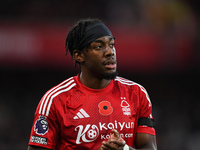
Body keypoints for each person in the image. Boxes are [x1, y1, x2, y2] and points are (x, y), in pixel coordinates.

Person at [27, 18, 157, 150]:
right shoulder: (55, 100)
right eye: (99, 46)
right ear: (79, 56)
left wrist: (125, 149)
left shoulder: (136, 93)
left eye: (111, 45)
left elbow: (149, 147)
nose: (110, 52)